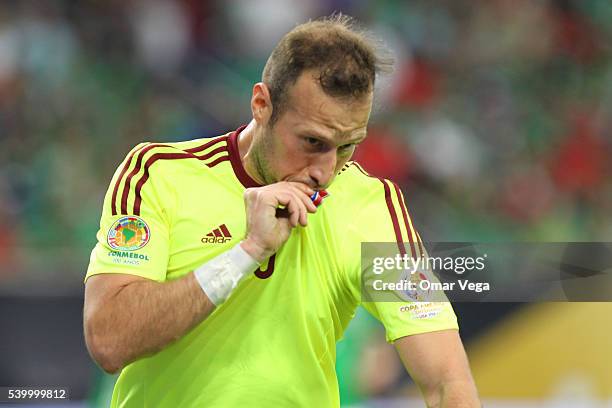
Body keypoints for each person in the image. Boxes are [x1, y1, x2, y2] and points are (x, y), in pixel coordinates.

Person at [83, 14, 480, 407]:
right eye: (312, 141)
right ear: (261, 104)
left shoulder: (372, 206)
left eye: (347, 146)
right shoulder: (158, 175)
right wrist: (247, 252)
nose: (325, 172)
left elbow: (447, 382)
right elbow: (109, 340)